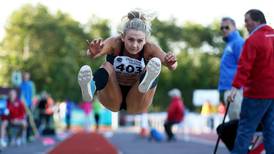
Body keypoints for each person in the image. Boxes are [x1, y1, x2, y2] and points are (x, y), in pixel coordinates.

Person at [78, 10, 177, 114]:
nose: (134, 45)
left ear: (145, 40)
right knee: (107, 65)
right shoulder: (115, 43)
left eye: (139, 41)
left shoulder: (150, 48)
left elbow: (172, 65)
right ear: (123, 37)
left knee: (155, 64)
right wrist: (92, 52)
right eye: (131, 39)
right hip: (112, 97)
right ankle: (91, 88)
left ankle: (146, 81)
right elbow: (93, 54)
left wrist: (171, 62)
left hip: (137, 100)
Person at [228, 9, 274, 154]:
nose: (245, 24)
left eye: (247, 20)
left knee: (245, 131)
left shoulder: (253, 39)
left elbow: (244, 67)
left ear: (256, 21)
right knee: (271, 130)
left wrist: (234, 89)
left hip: (257, 93)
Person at [218, 17, 244, 121]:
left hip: (235, 90)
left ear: (234, 27)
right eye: (222, 28)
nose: (224, 30)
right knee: (233, 122)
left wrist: (236, 88)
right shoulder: (230, 43)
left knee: (236, 123)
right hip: (228, 89)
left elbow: (243, 66)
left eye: (227, 27)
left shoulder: (238, 42)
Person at [19, 72, 36, 141]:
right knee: (22, 119)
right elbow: (20, 95)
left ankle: (29, 136)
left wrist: (32, 104)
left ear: (28, 77)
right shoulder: (20, 85)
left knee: (29, 120)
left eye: (27, 76)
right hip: (22, 105)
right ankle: (21, 136)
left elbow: (33, 94)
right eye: (24, 76)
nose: (25, 78)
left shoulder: (31, 84)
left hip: (29, 105)